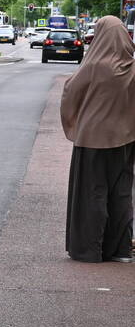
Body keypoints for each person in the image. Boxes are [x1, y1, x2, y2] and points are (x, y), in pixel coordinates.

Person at [59, 15, 135, 263]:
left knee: (91, 193)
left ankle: (90, 250)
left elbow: (70, 91)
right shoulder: (132, 67)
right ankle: (121, 249)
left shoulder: (94, 66)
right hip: (126, 139)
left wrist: (74, 123)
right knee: (121, 193)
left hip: (92, 139)